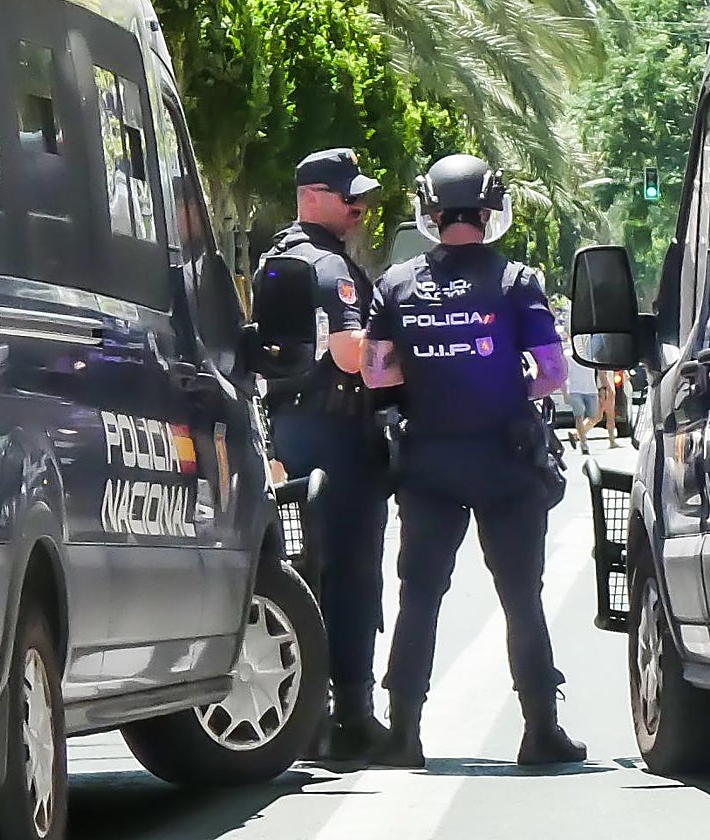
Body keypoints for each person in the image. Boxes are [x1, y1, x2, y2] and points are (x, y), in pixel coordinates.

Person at [360, 153, 587, 768]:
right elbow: (553, 372)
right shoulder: (516, 281)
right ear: (490, 212)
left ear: (429, 211)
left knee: (420, 594)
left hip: (428, 464)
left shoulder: (396, 284)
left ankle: (402, 732)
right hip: (507, 463)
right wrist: (504, 383)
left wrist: (427, 376)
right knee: (521, 595)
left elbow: (376, 373)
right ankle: (541, 731)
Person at [259, 148, 391, 762]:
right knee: (353, 572)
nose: (361, 208)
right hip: (339, 438)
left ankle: (304, 713)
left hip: (291, 432)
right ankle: (354, 715)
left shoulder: (272, 260)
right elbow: (349, 353)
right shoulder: (327, 265)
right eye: (350, 198)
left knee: (306, 571)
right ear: (312, 195)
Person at [562, 344, 600, 454]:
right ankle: (584, 444)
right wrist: (565, 393)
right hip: (574, 390)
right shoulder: (567, 355)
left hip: (591, 389)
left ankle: (576, 435)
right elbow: (563, 375)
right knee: (579, 416)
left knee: (594, 417)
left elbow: (601, 370)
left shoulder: (591, 353)